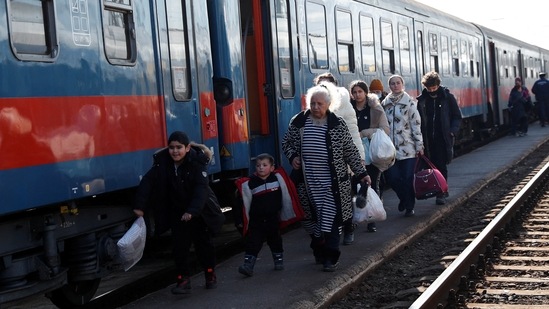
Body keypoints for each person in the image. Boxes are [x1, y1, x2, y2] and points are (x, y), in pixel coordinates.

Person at [282, 84, 371, 272]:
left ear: (329, 104)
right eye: (312, 103)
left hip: (333, 184)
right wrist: (292, 157)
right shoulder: (298, 122)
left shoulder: (338, 124)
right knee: (311, 223)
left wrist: (361, 173)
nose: (315, 107)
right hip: (306, 183)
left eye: (319, 104)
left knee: (330, 220)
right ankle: (318, 249)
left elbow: (350, 151)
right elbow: (286, 143)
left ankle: (331, 257)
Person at [133, 131, 217, 294]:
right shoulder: (162, 164)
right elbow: (147, 183)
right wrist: (140, 206)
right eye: (171, 148)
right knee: (179, 248)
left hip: (198, 212)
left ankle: (210, 274)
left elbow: (201, 190)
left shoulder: (197, 163)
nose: (175, 151)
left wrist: (192, 211)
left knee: (203, 246)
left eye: (179, 147)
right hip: (178, 212)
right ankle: (183, 280)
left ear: (187, 148)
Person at [313, 72, 364, 245]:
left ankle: (348, 228)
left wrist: (359, 159)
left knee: (344, 197)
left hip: (341, 162)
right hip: (320, 163)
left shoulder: (344, 105)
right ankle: (327, 233)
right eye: (320, 85)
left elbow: (353, 133)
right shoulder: (314, 105)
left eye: (327, 85)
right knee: (323, 199)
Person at [235, 153, 301, 277]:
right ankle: (248, 265)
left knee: (275, 240)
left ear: (272, 168)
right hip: (257, 219)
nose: (261, 168)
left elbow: (288, 192)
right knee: (253, 242)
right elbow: (242, 203)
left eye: (264, 165)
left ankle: (278, 260)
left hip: (272, 218)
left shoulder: (277, 180)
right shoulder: (251, 183)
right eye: (258, 165)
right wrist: (240, 219)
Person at [349, 79, 390, 233]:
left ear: (366, 92)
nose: (357, 95)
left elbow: (385, 129)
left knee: (371, 183)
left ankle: (372, 217)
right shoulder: (348, 110)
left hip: (372, 152)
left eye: (360, 91)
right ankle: (358, 214)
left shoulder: (375, 108)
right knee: (355, 185)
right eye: (354, 92)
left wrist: (364, 133)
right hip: (354, 152)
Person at [416, 71, 462, 205]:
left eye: (434, 88)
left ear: (438, 85)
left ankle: (442, 191)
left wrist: (452, 131)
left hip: (443, 138)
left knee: (441, 165)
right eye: (429, 88)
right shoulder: (422, 100)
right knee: (430, 165)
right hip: (427, 138)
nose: (431, 91)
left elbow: (456, 116)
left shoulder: (447, 98)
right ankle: (435, 189)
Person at [382, 75, 424, 217]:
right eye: (392, 84)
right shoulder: (385, 104)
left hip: (408, 149)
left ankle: (409, 206)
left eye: (398, 83)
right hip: (390, 150)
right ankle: (404, 199)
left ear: (402, 84)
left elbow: (416, 125)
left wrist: (419, 146)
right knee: (393, 178)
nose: (395, 86)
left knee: (407, 178)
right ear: (389, 86)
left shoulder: (410, 103)